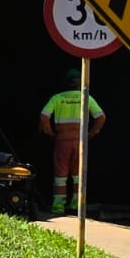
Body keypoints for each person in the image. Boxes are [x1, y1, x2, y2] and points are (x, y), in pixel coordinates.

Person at [39, 68, 105, 216]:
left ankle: (58, 207)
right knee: (78, 175)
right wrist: (91, 134)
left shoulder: (57, 98)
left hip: (62, 141)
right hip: (81, 142)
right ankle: (76, 206)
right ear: (80, 82)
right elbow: (101, 117)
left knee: (60, 176)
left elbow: (43, 116)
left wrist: (50, 133)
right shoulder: (86, 97)